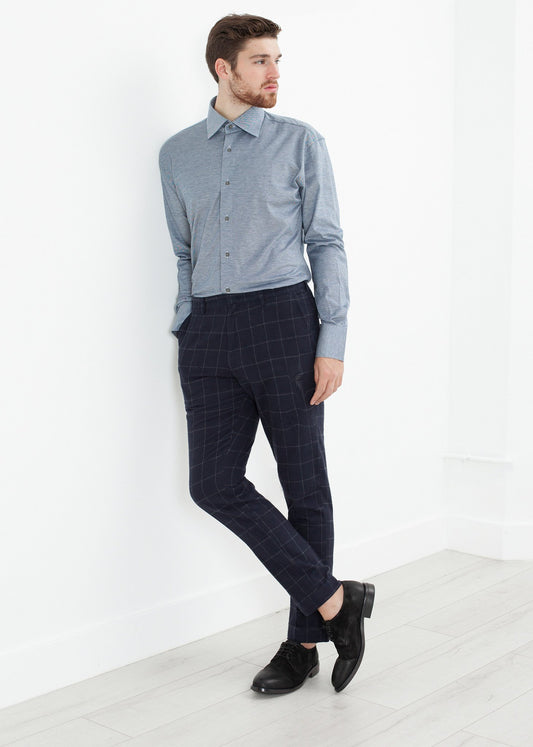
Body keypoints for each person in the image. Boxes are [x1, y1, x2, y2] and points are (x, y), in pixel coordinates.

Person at [158, 12, 375, 695]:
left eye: (277, 59)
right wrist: (187, 321)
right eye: (260, 60)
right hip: (209, 331)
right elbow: (183, 249)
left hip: (284, 320)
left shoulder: (299, 142)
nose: (274, 72)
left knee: (303, 484)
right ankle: (335, 600)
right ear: (222, 68)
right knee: (213, 484)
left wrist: (331, 339)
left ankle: (302, 643)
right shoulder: (177, 154)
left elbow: (326, 241)